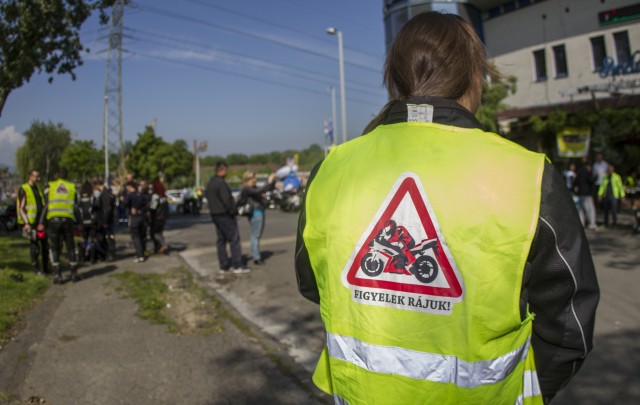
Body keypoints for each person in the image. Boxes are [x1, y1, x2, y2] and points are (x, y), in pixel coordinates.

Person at [294, 12, 599, 405]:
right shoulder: (527, 174)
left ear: (395, 80)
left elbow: (312, 284)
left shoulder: (331, 169)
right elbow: (569, 325)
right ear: (476, 76)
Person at [205, 161, 249, 274]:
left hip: (215, 214)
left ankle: (223, 265)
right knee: (234, 239)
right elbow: (227, 200)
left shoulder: (210, 183)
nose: (227, 173)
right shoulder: (221, 183)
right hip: (225, 215)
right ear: (221, 170)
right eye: (226, 170)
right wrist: (234, 211)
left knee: (221, 240)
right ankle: (237, 265)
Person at [38, 168, 80, 283]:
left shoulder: (50, 186)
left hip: (53, 220)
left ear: (56, 176)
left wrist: (41, 222)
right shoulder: (72, 187)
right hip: (68, 220)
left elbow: (46, 205)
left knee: (55, 247)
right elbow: (76, 207)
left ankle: (58, 275)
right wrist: (79, 222)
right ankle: (74, 274)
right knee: (70, 246)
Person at [238, 171, 276, 265]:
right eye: (252, 178)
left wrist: (272, 181)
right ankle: (256, 257)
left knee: (256, 235)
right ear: (247, 179)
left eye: (254, 178)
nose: (254, 180)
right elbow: (258, 191)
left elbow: (267, 189)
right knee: (255, 236)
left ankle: (256, 255)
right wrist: (269, 182)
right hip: (256, 213)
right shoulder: (246, 189)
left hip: (258, 212)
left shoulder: (252, 188)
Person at [17, 169, 49, 275]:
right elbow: (21, 208)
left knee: (45, 246)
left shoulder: (37, 188)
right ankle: (36, 269)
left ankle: (46, 268)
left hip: (40, 222)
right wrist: (26, 223)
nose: (38, 178)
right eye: (36, 176)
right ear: (30, 176)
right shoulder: (24, 189)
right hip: (31, 223)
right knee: (34, 247)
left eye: (39, 176)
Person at [123, 181, 148, 263]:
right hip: (142, 217)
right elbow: (146, 203)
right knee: (141, 236)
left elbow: (125, 203)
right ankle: (142, 252)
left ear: (130, 186)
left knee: (135, 237)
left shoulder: (130, 195)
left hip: (134, 218)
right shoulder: (140, 194)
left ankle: (140, 255)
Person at [94, 180, 116, 261]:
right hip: (109, 219)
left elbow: (106, 209)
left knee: (108, 237)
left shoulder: (105, 194)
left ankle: (109, 254)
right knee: (109, 237)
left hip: (106, 220)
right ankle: (109, 254)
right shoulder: (108, 193)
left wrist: (105, 221)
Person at [78, 180, 99, 263]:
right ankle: (92, 258)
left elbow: (77, 209)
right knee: (92, 239)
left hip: (83, 222)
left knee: (84, 240)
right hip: (92, 221)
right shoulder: (92, 197)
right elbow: (97, 206)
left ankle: (82, 257)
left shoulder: (80, 197)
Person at [575, 158, 598, 230]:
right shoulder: (587, 172)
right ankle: (592, 224)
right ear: (589, 166)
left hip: (580, 193)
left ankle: (581, 224)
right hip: (587, 193)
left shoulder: (579, 171)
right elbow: (591, 180)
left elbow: (575, 181)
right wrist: (596, 177)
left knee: (581, 210)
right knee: (590, 209)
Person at [150, 178, 169, 254]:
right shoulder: (164, 196)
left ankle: (163, 244)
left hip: (157, 217)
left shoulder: (155, 196)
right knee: (160, 232)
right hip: (163, 217)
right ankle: (160, 247)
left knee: (154, 233)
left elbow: (152, 207)